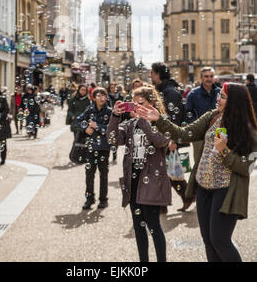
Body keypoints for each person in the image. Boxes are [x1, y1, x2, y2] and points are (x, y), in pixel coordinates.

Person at [136, 82, 257, 262]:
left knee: (220, 240)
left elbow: (246, 167)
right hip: (203, 187)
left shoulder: (248, 130)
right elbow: (184, 134)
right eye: (219, 95)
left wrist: (224, 151)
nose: (218, 98)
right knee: (208, 240)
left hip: (225, 190)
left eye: (223, 97)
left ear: (234, 101)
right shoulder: (212, 117)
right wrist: (159, 120)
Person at [107, 85, 171, 262]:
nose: (136, 108)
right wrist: (115, 116)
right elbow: (113, 139)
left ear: (151, 103)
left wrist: (144, 120)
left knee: (154, 226)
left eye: (140, 103)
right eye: (133, 104)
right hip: (133, 180)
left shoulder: (162, 121)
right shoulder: (129, 125)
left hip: (151, 180)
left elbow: (160, 141)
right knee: (138, 226)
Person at [151, 62, 191, 212]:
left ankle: (185, 196)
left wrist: (173, 139)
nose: (151, 76)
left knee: (169, 171)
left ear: (158, 74)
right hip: (161, 136)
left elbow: (175, 118)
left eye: (152, 73)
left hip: (167, 138)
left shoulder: (170, 92)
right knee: (165, 171)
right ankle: (164, 204)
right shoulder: (162, 90)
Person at [76, 87, 112, 210]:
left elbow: (111, 130)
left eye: (104, 95)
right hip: (91, 147)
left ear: (106, 97)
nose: (101, 98)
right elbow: (78, 120)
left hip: (104, 148)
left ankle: (103, 199)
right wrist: (85, 128)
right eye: (98, 95)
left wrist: (98, 126)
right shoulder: (90, 109)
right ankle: (89, 199)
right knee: (89, 174)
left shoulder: (110, 112)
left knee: (103, 174)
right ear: (94, 98)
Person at [185, 67, 221, 162]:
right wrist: (198, 127)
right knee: (199, 161)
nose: (209, 78)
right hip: (199, 134)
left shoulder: (220, 92)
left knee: (217, 161)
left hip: (218, 132)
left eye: (211, 76)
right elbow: (188, 113)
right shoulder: (193, 94)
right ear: (201, 78)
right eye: (206, 76)